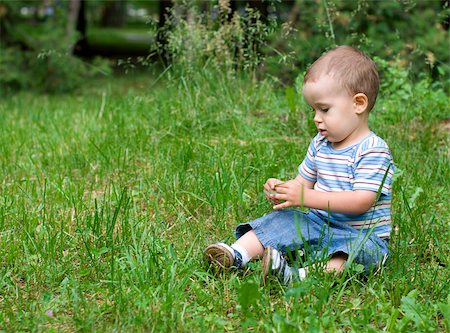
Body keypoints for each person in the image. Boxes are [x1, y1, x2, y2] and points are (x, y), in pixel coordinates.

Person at [204, 45, 394, 284]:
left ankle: (298, 276)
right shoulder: (320, 143)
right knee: (281, 221)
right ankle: (236, 254)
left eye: (324, 109)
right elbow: (302, 183)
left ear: (358, 104)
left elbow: (361, 201)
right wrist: (284, 191)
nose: (316, 118)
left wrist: (305, 197)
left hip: (362, 234)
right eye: (313, 109)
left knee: (360, 252)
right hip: (318, 224)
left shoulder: (373, 149)